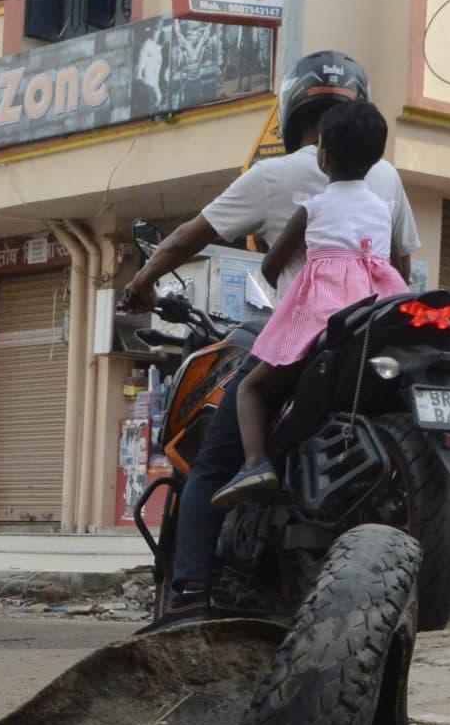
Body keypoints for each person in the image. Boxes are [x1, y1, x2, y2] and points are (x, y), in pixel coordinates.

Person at [117, 52, 418, 619]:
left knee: (211, 460)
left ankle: (189, 597)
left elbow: (188, 240)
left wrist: (140, 281)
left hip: (309, 339)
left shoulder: (278, 178)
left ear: (298, 117)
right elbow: (398, 260)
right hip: (378, 333)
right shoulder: (389, 180)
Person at [213, 101, 410, 507]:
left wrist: (272, 277)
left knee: (250, 386)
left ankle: (254, 464)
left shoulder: (313, 207)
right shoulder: (383, 208)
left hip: (322, 311)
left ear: (323, 155)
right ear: (376, 158)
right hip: (376, 305)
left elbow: (272, 264)